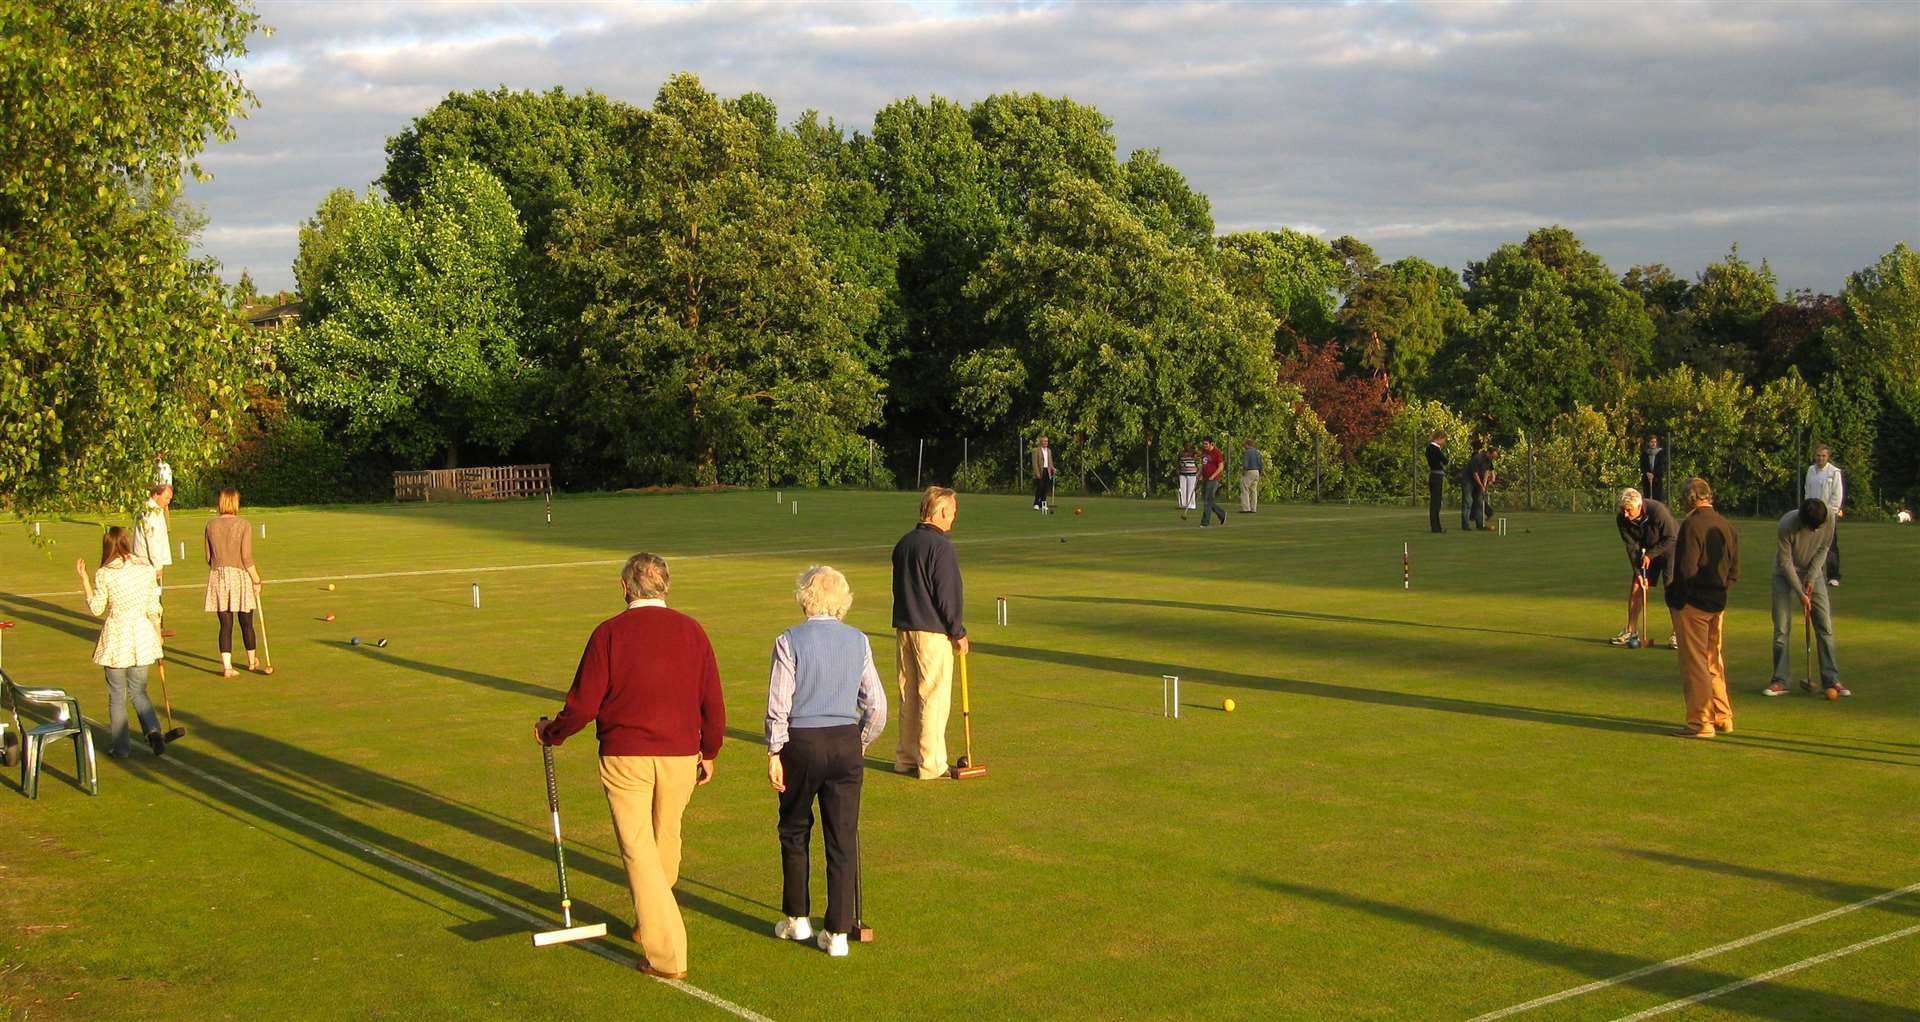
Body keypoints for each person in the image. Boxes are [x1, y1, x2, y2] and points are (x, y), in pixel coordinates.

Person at [535, 553, 725, 980]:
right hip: (678, 755)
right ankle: (650, 918)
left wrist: (552, 732)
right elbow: (713, 703)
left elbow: (582, 704)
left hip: (626, 755)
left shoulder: (609, 633)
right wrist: (709, 750)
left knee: (641, 850)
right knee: (663, 841)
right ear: (666, 588)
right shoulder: (692, 631)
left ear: (625, 589)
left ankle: (669, 957)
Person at [766, 566, 888, 957]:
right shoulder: (859, 640)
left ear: (805, 597)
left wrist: (774, 750)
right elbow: (877, 706)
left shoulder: (789, 640)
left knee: (795, 828)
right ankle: (837, 933)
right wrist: (861, 740)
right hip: (844, 743)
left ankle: (797, 918)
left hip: (801, 743)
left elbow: (779, 704)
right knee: (842, 837)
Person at [891, 486, 968, 780]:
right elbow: (947, 595)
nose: (954, 518)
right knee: (933, 697)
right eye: (952, 512)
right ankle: (931, 763)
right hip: (932, 632)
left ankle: (907, 758)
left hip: (905, 628)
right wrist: (957, 631)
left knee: (909, 694)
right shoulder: (941, 547)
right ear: (941, 511)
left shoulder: (904, 543)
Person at [73, 527, 166, 758]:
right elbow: (154, 608)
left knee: (117, 694)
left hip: (117, 636)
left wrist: (84, 580)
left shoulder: (105, 573)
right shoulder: (146, 569)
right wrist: (158, 637)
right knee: (139, 690)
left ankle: (122, 748)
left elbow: (96, 608)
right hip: (142, 634)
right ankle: (153, 729)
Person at [1666, 477, 1739, 738]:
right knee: (1712, 661)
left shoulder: (1692, 525)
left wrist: (1676, 599)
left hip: (1694, 603)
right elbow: (1734, 571)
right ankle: (1723, 716)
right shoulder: (1726, 525)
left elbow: (1686, 569)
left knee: (1695, 665)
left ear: (1691, 498)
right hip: (1717, 602)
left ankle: (1700, 723)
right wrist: (1719, 591)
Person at [1763, 499, 1846, 697]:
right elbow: (1785, 562)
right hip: (1784, 574)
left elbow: (1824, 548)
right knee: (1782, 627)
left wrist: (1811, 577)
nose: (1816, 531)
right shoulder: (1787, 524)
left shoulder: (1829, 519)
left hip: (1814, 572)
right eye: (1811, 527)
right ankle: (1780, 680)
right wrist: (1801, 594)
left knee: (1824, 626)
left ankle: (1831, 679)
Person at [203, 488, 265, 676]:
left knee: (225, 625)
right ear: (235, 503)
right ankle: (251, 662)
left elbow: (208, 556)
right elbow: (246, 557)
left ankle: (227, 667)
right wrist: (257, 579)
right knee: (246, 622)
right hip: (240, 575)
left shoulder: (210, 525)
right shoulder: (244, 524)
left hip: (219, 575)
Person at [1612, 488, 1678, 648]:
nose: (1625, 514)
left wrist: (1651, 554)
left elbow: (1671, 536)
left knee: (1671, 588)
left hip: (1670, 549)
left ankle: (1678, 632)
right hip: (1646, 551)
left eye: (1628, 510)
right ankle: (1631, 631)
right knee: (1637, 586)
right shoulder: (1622, 519)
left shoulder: (1658, 511)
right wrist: (1638, 573)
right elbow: (1631, 546)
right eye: (1623, 510)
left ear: (1639, 505)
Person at [1805, 444, 1843, 587]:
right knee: (1813, 545)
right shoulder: (1810, 470)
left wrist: (1830, 512)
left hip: (1827, 514)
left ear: (1828, 457)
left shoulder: (1834, 472)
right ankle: (1816, 573)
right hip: (1812, 514)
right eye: (1818, 456)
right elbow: (1807, 491)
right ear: (1815, 456)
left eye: (1823, 456)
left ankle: (1833, 576)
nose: (1820, 458)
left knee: (1830, 545)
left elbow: (1837, 495)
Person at [130, 483, 173, 586]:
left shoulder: (152, 509)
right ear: (156, 495)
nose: (168, 502)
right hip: (148, 563)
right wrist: (157, 566)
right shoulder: (151, 513)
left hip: (145, 562)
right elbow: (152, 540)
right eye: (166, 498)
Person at [1461, 443, 1494, 531]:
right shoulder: (1477, 458)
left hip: (1478, 480)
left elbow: (1487, 472)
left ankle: (1480, 525)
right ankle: (1465, 525)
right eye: (1492, 456)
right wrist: (1481, 485)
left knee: (1480, 501)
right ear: (1488, 453)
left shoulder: (1489, 460)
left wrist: (1484, 484)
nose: (1493, 459)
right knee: (1468, 501)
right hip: (1468, 480)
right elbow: (1475, 474)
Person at [1199, 439, 1226, 527]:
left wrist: (1213, 476)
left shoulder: (1216, 453)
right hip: (1205, 478)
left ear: (1211, 444)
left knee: (1207, 500)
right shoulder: (1204, 452)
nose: (1204, 445)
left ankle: (1205, 522)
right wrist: (1199, 473)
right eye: (1204, 444)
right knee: (1207, 500)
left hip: (1213, 480)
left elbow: (1221, 467)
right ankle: (1222, 514)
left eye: (1206, 444)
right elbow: (1203, 464)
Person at [1425, 433, 1447, 533]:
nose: (1444, 442)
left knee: (1434, 502)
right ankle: (1436, 527)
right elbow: (1445, 460)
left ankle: (1436, 526)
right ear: (1439, 438)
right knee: (1436, 502)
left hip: (1433, 475)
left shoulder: (1428, 448)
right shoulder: (1435, 449)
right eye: (1444, 440)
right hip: (1437, 475)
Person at [1640, 436, 1667, 504]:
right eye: (1652, 442)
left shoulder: (1660, 453)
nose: (1653, 443)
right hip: (1647, 479)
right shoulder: (1645, 453)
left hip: (1657, 479)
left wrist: (1653, 474)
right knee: (1647, 498)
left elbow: (1661, 466)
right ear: (1649, 443)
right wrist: (1647, 473)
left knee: (1657, 499)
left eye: (1655, 442)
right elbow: (1642, 466)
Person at [1031, 436, 1055, 512]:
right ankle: (1036, 504)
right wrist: (1037, 473)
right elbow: (1035, 463)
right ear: (1041, 442)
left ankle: (1043, 504)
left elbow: (1050, 462)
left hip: (1047, 471)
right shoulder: (1036, 450)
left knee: (1045, 488)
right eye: (1044, 441)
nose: (1046, 443)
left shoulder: (1049, 451)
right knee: (1040, 488)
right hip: (1040, 471)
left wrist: (1053, 468)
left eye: (1047, 441)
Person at [1240, 441, 1264, 513]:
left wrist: (1243, 471)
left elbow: (1245, 464)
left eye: (1245, 445)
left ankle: (1246, 508)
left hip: (1250, 470)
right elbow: (1261, 463)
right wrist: (1261, 471)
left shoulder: (1247, 452)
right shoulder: (1257, 452)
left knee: (1244, 488)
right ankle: (1254, 508)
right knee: (1254, 490)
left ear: (1248, 445)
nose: (1244, 447)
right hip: (1257, 471)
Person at [1176, 444, 1200, 519]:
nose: (1187, 447)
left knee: (1190, 489)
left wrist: (1199, 473)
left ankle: (1191, 505)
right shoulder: (1181, 453)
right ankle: (1183, 504)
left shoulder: (1193, 453)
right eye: (1186, 446)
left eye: (1188, 446)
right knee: (1182, 489)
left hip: (1192, 474)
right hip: (1183, 473)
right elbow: (1178, 462)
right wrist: (1178, 470)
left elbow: (1198, 461)